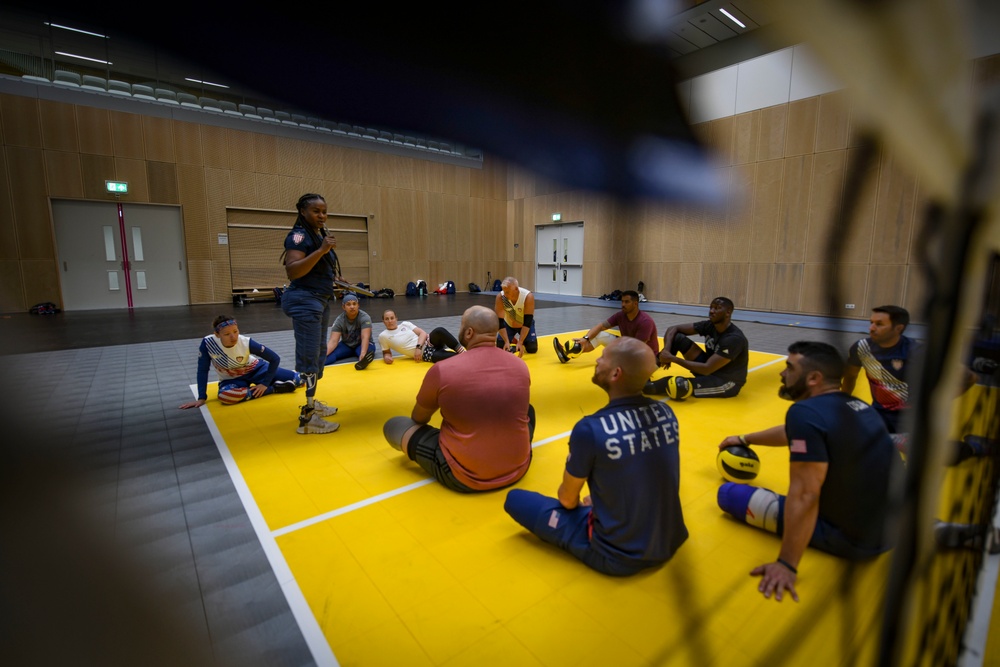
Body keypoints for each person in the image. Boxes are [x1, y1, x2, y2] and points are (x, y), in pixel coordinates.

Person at [717, 341, 898, 602]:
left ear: (814, 378)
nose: (782, 374)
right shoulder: (854, 405)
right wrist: (745, 438)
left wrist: (787, 564)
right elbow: (796, 432)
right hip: (891, 526)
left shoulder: (803, 413)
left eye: (789, 367)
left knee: (728, 494)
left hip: (854, 541)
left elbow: (805, 493)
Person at [505, 337, 688, 576]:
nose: (598, 359)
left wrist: (595, 501)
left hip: (617, 555)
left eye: (603, 357)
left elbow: (569, 500)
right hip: (670, 540)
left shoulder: (590, 428)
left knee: (515, 500)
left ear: (615, 374)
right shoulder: (666, 411)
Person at [382, 305, 535, 493]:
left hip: (463, 476)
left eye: (462, 326)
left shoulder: (442, 370)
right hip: (519, 467)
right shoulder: (520, 366)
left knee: (394, 425)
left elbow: (419, 419)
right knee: (528, 410)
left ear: (469, 332)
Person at [280, 193, 340, 435]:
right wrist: (322, 251)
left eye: (324, 211)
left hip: (319, 299)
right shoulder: (298, 236)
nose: (322, 216)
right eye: (316, 211)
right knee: (308, 358)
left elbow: (317, 269)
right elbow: (293, 271)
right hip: (305, 301)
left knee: (317, 355)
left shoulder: (318, 234)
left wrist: (336, 279)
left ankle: (313, 404)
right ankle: (307, 418)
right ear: (303, 211)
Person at [179, 315, 300, 409]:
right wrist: (201, 398)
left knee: (300, 380)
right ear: (216, 334)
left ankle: (267, 386)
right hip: (232, 380)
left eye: (236, 331)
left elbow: (275, 358)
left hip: (256, 369)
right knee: (225, 397)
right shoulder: (208, 344)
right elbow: (202, 370)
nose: (233, 337)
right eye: (227, 334)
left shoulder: (246, 342)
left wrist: (264, 383)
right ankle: (274, 388)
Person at [644, 296, 748, 398]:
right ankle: (644, 373)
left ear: (728, 312)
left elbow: (707, 369)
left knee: (676, 385)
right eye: (711, 307)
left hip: (725, 381)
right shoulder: (710, 325)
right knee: (678, 338)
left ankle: (646, 387)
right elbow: (673, 328)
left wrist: (673, 359)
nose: (712, 311)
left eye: (717, 308)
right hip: (709, 368)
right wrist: (666, 350)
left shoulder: (733, 339)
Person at [841, 305, 916, 433]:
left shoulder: (915, 350)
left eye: (879, 324)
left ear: (898, 328)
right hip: (878, 413)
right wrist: (843, 403)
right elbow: (850, 376)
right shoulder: (861, 347)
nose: (871, 328)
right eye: (871, 323)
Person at [553, 290, 658, 363]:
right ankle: (566, 355)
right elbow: (600, 326)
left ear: (635, 304)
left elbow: (638, 348)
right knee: (600, 335)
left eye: (627, 302)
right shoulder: (620, 315)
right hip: (628, 346)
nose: (623, 305)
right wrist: (585, 339)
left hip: (645, 356)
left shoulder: (645, 321)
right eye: (622, 301)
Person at [377, 310, 465, 364]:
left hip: (428, 341)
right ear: (383, 321)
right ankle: (465, 357)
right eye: (387, 319)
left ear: (396, 318)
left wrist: (418, 348)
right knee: (455, 358)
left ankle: (462, 351)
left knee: (439, 330)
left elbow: (422, 333)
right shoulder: (383, 336)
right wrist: (386, 358)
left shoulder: (405, 324)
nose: (390, 321)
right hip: (425, 353)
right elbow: (386, 352)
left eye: (392, 318)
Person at [325, 293, 376, 369]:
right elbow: (333, 341)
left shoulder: (365, 317)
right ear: (343, 307)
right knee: (332, 354)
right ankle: (316, 364)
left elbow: (365, 337)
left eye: (354, 304)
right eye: (348, 304)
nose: (352, 307)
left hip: (362, 343)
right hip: (347, 345)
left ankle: (363, 361)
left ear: (358, 305)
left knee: (363, 353)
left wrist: (363, 354)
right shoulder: (339, 320)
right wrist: (323, 354)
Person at [494, 276, 537, 356]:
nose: (505, 294)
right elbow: (499, 321)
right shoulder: (500, 297)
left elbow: (527, 321)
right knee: (500, 346)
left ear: (516, 289)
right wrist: (506, 342)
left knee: (532, 348)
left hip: (524, 323)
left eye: (507, 292)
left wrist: (520, 342)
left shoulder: (528, 296)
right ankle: (511, 339)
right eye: (504, 291)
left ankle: (524, 340)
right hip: (508, 324)